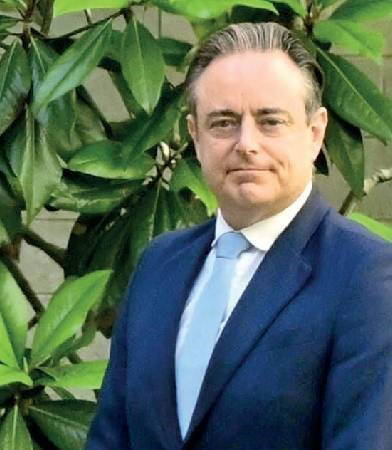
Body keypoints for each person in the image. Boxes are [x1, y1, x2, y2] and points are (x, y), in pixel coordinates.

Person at [88, 22, 392, 449]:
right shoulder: (160, 263)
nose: (246, 143)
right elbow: (110, 438)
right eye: (224, 123)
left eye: (270, 121)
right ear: (195, 137)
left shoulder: (367, 276)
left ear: (315, 133)